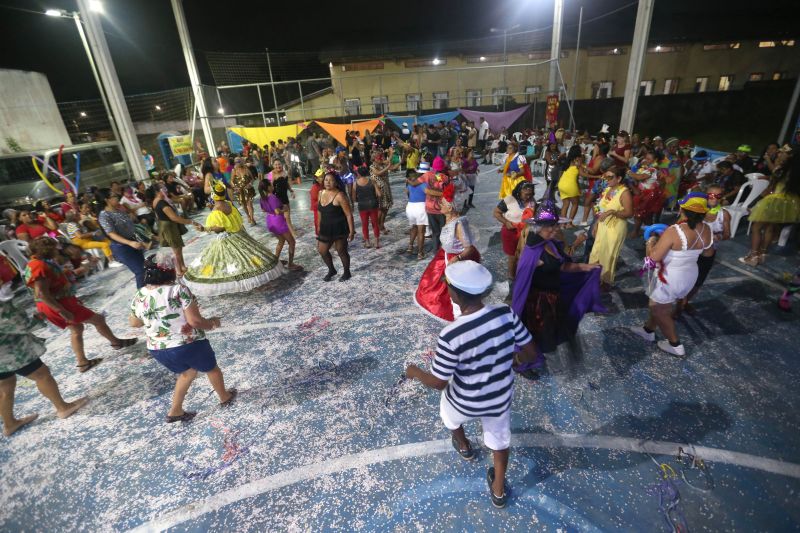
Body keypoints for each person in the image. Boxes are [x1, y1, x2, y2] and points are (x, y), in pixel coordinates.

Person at [405, 260, 538, 508]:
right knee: (499, 441)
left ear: (454, 295)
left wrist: (414, 372)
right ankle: (498, 490)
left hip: (466, 401)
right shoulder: (505, 313)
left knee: (448, 412)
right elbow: (531, 353)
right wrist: (514, 360)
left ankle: (464, 445)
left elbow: (437, 382)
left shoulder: (451, 335)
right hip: (499, 398)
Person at [129, 254, 236, 423]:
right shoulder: (178, 290)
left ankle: (176, 410)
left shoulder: (140, 294)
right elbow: (195, 321)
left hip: (158, 348)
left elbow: (134, 323)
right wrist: (212, 323)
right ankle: (224, 396)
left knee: (187, 373)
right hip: (187, 344)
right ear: (170, 271)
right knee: (211, 369)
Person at [23, 237, 137, 372]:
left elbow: (59, 278)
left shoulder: (41, 262)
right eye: (54, 248)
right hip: (59, 304)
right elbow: (41, 293)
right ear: (47, 249)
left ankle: (83, 362)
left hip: (57, 302)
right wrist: (61, 310)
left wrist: (85, 267)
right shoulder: (38, 265)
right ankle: (116, 343)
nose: (58, 250)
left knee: (76, 329)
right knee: (98, 320)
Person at [511, 201, 604, 367]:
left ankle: (530, 359)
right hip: (537, 305)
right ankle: (521, 363)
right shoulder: (532, 252)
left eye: (556, 226)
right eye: (550, 227)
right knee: (534, 337)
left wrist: (585, 267)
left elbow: (562, 265)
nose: (555, 230)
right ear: (538, 227)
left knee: (546, 336)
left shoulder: (549, 244)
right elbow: (522, 282)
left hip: (552, 299)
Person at [630, 193, 713, 356]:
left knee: (658, 308)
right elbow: (708, 254)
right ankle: (648, 330)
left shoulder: (674, 231)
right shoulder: (707, 229)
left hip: (669, 276)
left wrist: (650, 243)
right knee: (662, 304)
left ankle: (675, 345)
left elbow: (653, 259)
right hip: (689, 274)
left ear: (682, 209)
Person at [0, 295, 88, 437]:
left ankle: (9, 424)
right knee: (42, 375)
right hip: (10, 351)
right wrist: (39, 318)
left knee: (5, 386)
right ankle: (63, 407)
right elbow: (21, 325)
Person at [184, 183, 286, 296]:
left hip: (226, 238)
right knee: (245, 259)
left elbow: (220, 228)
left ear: (213, 195)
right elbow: (236, 219)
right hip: (239, 234)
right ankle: (253, 279)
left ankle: (242, 284)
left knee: (229, 262)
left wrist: (204, 228)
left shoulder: (216, 210)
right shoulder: (228, 203)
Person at [415, 184, 480, 322]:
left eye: (443, 203)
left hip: (454, 260)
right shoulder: (449, 217)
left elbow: (469, 248)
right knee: (432, 285)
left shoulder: (459, 224)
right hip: (443, 255)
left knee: (451, 291)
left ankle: (458, 316)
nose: (440, 205)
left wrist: (457, 258)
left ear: (450, 207)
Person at [675, 186, 731, 316]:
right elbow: (678, 226)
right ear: (706, 195)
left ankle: (684, 303)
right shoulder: (695, 210)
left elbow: (728, 234)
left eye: (718, 196)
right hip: (690, 252)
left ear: (722, 197)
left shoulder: (724, 214)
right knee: (683, 279)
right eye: (711, 195)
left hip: (707, 254)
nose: (713, 198)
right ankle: (677, 304)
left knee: (698, 281)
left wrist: (719, 236)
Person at [739, 150, 800, 266]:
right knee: (770, 228)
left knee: (756, 228)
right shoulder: (796, 172)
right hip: (788, 202)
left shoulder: (781, 170)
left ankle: (753, 257)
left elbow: (769, 189)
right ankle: (762, 255)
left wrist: (755, 204)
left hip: (774, 200)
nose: (781, 154)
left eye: (785, 153)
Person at [588, 167, 633, 288]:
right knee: (595, 253)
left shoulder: (624, 192)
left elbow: (629, 213)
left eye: (610, 177)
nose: (607, 179)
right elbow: (601, 209)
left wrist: (613, 212)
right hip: (602, 226)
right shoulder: (607, 189)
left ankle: (604, 283)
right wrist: (596, 224)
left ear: (619, 178)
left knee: (607, 256)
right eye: (606, 176)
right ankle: (593, 278)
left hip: (615, 228)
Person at [97, 191, 146, 288]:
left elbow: (131, 227)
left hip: (133, 242)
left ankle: (149, 293)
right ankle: (141, 299)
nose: (117, 197)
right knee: (140, 272)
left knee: (145, 269)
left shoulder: (118, 211)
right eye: (114, 196)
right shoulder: (104, 215)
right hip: (122, 247)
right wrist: (130, 242)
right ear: (107, 200)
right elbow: (112, 234)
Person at [150, 186, 201, 277]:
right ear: (158, 192)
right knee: (176, 250)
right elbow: (174, 218)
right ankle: (179, 270)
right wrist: (191, 222)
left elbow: (158, 216)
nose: (165, 190)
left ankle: (182, 267)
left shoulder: (155, 201)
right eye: (162, 189)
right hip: (169, 226)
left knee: (178, 247)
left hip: (165, 225)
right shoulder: (162, 203)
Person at [494, 181, 536, 285]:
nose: (528, 196)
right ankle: (512, 277)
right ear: (519, 191)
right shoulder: (509, 200)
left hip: (526, 232)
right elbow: (496, 212)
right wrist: (506, 222)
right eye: (526, 194)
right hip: (511, 232)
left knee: (524, 255)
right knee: (513, 256)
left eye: (530, 194)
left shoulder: (532, 201)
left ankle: (522, 274)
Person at [316, 171, 355, 282]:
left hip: (340, 228)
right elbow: (319, 211)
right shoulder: (320, 193)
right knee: (322, 250)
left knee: (341, 251)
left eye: (331, 180)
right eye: (326, 180)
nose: (328, 182)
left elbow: (348, 214)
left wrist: (351, 231)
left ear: (336, 183)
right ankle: (332, 270)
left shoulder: (340, 196)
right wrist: (319, 226)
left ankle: (347, 272)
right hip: (325, 228)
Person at [259, 180, 301, 270]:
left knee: (281, 241)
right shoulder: (272, 197)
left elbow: (263, 209)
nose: (272, 185)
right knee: (292, 242)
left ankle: (275, 261)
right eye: (270, 184)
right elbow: (277, 212)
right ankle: (290, 264)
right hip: (278, 221)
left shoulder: (262, 198)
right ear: (268, 187)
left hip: (270, 221)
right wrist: (284, 209)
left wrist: (270, 210)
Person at [419, 157, 451, 251]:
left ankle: (435, 250)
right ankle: (443, 251)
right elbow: (450, 190)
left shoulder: (427, 175)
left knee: (435, 232)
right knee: (443, 231)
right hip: (441, 208)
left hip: (430, 208)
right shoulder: (445, 178)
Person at [268, 160, 297, 238]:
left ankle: (289, 230)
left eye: (279, 164)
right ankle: (291, 232)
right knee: (281, 216)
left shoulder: (284, 172)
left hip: (284, 197)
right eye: (276, 164)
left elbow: (286, 183)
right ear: (273, 165)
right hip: (276, 198)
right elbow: (269, 188)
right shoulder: (271, 174)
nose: (278, 166)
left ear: (282, 164)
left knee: (287, 216)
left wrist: (291, 191)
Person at [354, 166, 381, 249]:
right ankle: (376, 243)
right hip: (373, 204)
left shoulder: (355, 184)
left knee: (364, 224)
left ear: (358, 173)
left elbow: (354, 198)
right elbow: (379, 194)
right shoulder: (372, 181)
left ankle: (367, 242)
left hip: (362, 205)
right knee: (375, 223)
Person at [405, 167, 428, 260]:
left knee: (414, 227)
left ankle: (410, 246)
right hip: (421, 207)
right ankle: (420, 253)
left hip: (410, 206)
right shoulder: (424, 182)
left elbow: (407, 193)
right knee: (421, 231)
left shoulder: (409, 181)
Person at [557, 146, 583, 227]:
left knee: (565, 204)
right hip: (570, 185)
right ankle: (569, 223)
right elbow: (581, 173)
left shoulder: (567, 160)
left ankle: (562, 224)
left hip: (561, 184)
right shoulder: (578, 159)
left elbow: (562, 173)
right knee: (575, 204)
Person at [231, 159, 257, 225]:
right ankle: (248, 216)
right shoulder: (234, 170)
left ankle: (252, 218)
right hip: (240, 191)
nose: (237, 163)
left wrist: (250, 184)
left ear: (241, 162)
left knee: (249, 204)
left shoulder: (246, 169)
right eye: (236, 162)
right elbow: (231, 181)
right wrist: (235, 187)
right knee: (244, 205)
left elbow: (252, 179)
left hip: (248, 189)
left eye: (239, 161)